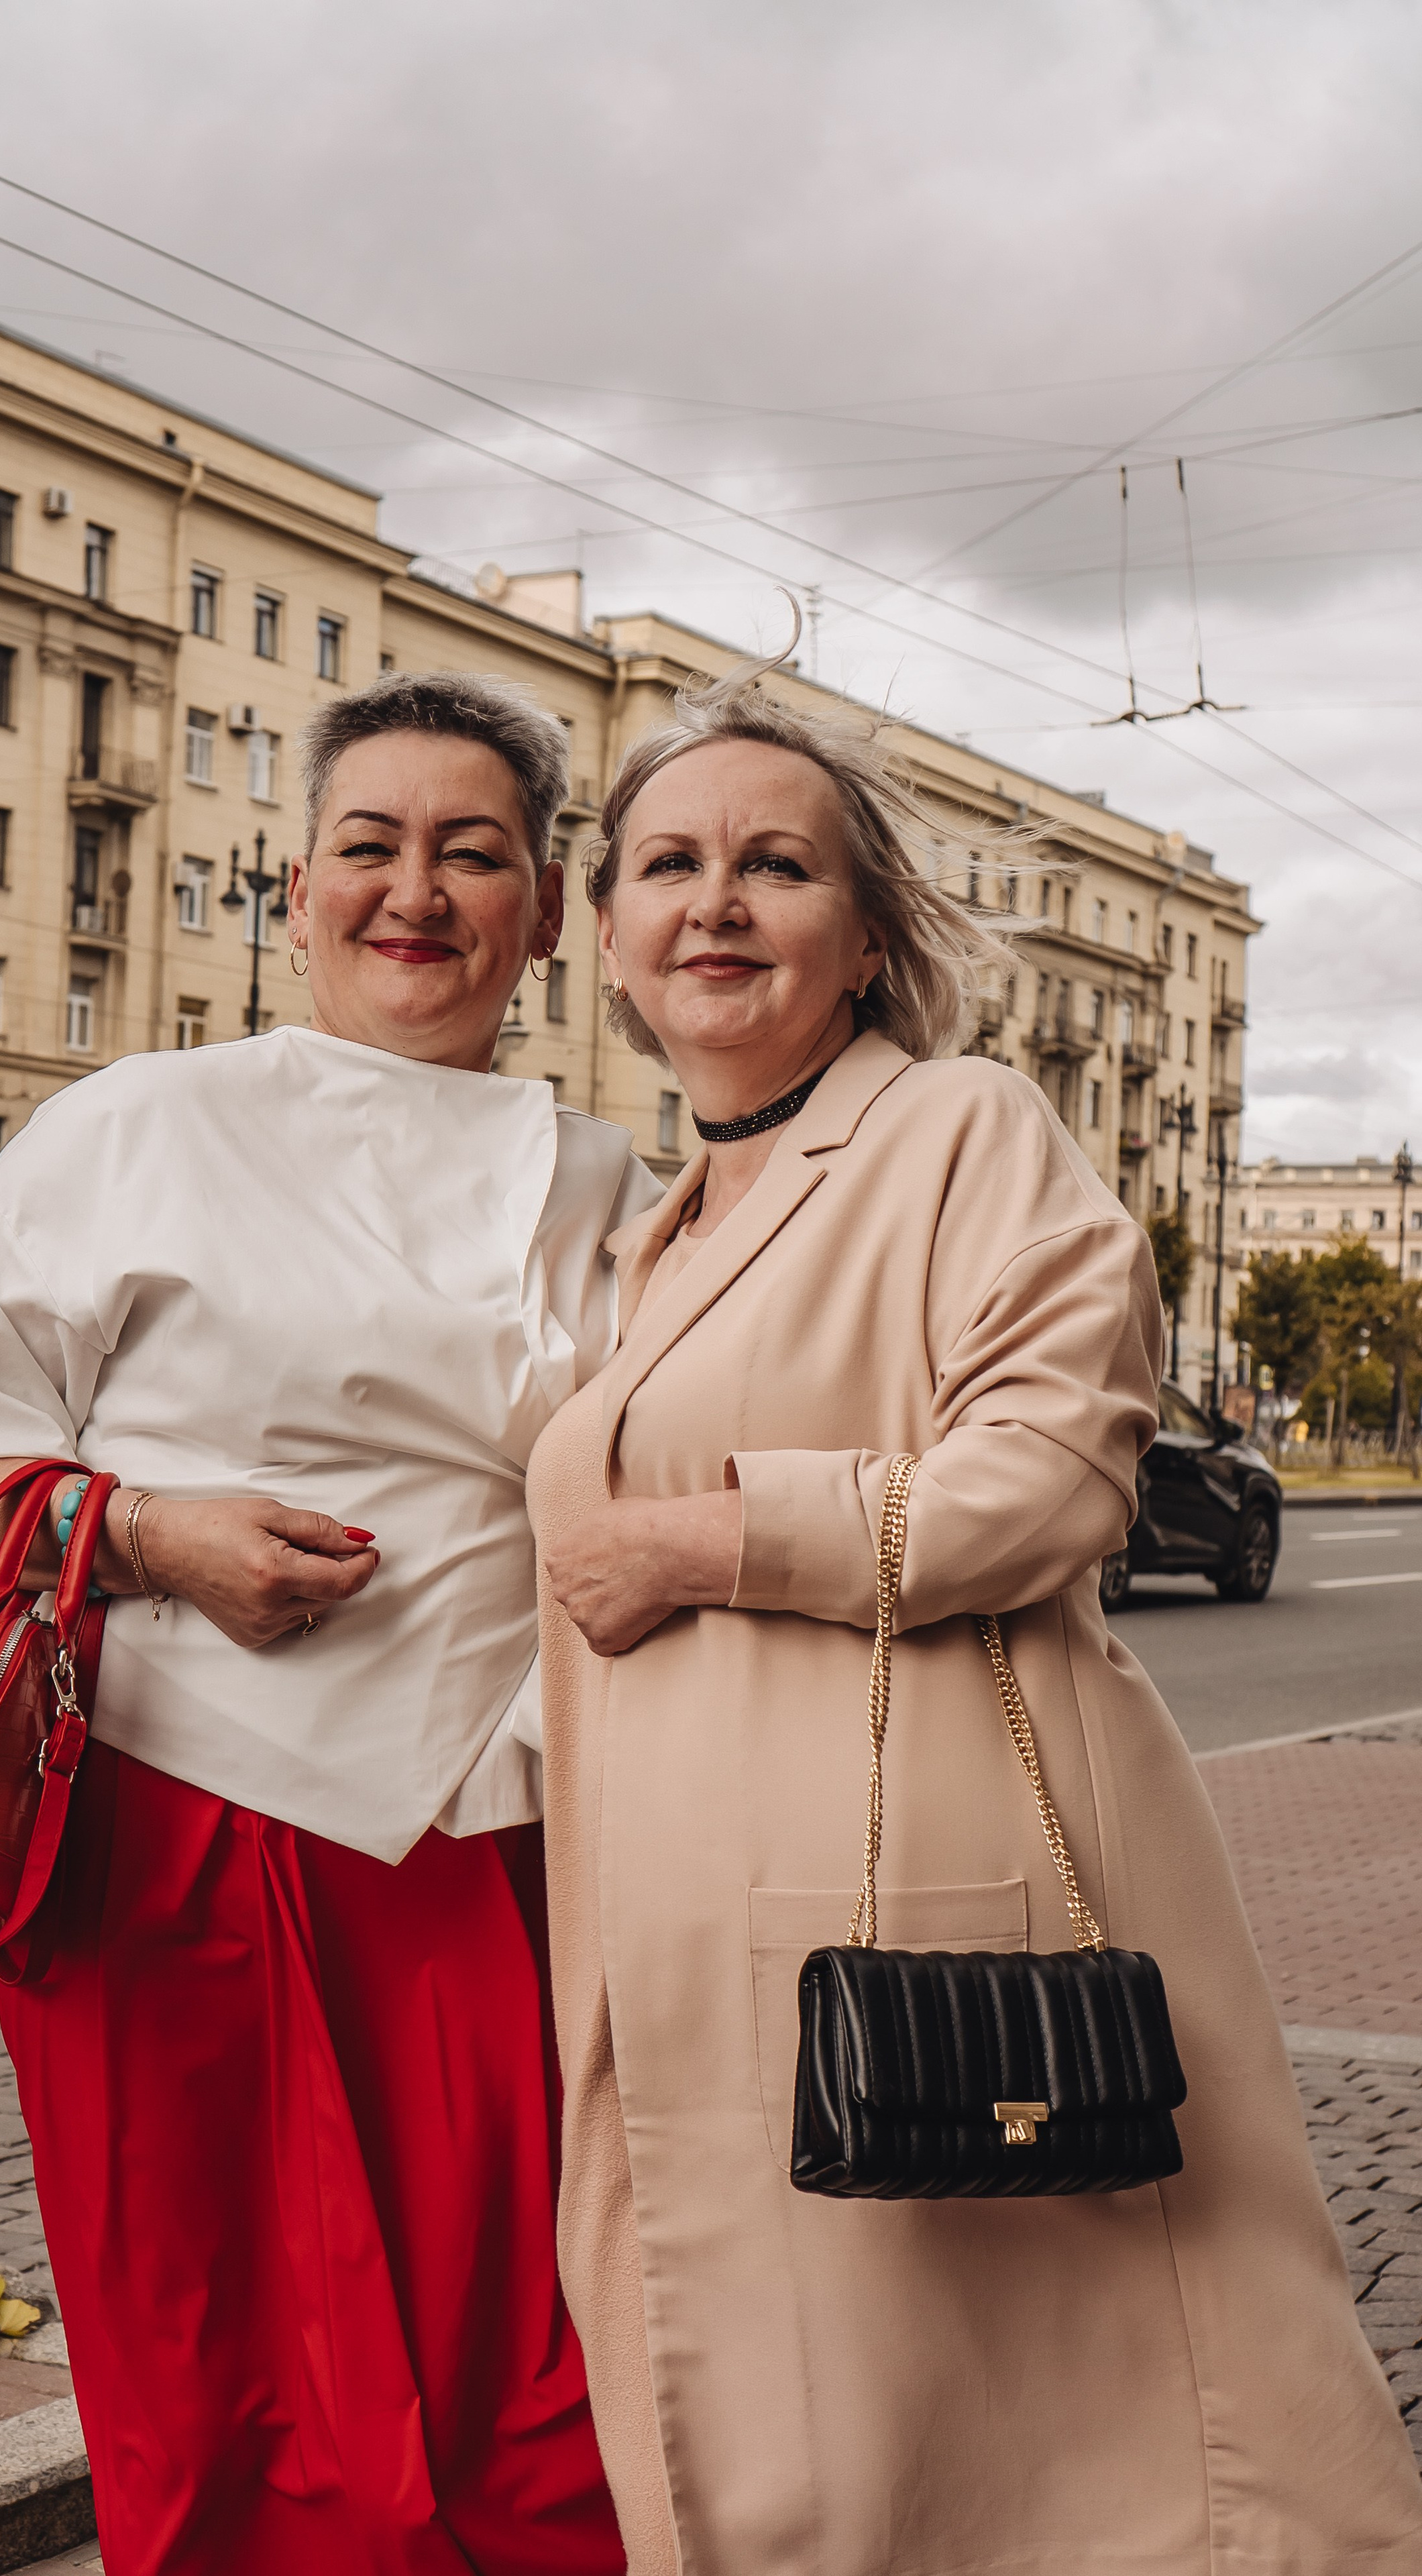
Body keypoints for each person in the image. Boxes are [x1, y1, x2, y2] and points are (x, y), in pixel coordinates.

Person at [527, 657, 1422, 2575]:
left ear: (864, 939)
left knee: (1008, 2461)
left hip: (908, 1927)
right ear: (606, 936)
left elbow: (1055, 1479)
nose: (715, 902)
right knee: (795, 2449)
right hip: (678, 1957)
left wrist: (700, 1544)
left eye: (776, 865)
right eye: (666, 865)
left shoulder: (959, 1128)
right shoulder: (641, 1226)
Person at [0, 669, 659, 2576]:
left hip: (499, 1843)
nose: (415, 891)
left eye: (472, 853)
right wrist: (144, 1532)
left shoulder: (621, 1185)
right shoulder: (148, 1120)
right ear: (296, 888)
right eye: (372, 846)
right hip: (172, 1830)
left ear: (540, 910)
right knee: (213, 2398)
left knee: (538, 2416)